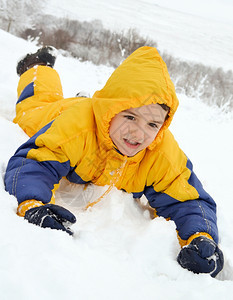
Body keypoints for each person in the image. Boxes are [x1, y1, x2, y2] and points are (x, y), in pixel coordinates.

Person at [4, 46, 224, 277]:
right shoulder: (77, 128)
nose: (138, 134)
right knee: (34, 108)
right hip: (65, 114)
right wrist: (32, 205)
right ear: (110, 111)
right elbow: (36, 161)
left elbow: (188, 198)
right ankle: (38, 67)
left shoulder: (159, 150)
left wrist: (201, 237)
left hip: (95, 115)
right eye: (130, 116)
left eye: (152, 124)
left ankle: (91, 101)